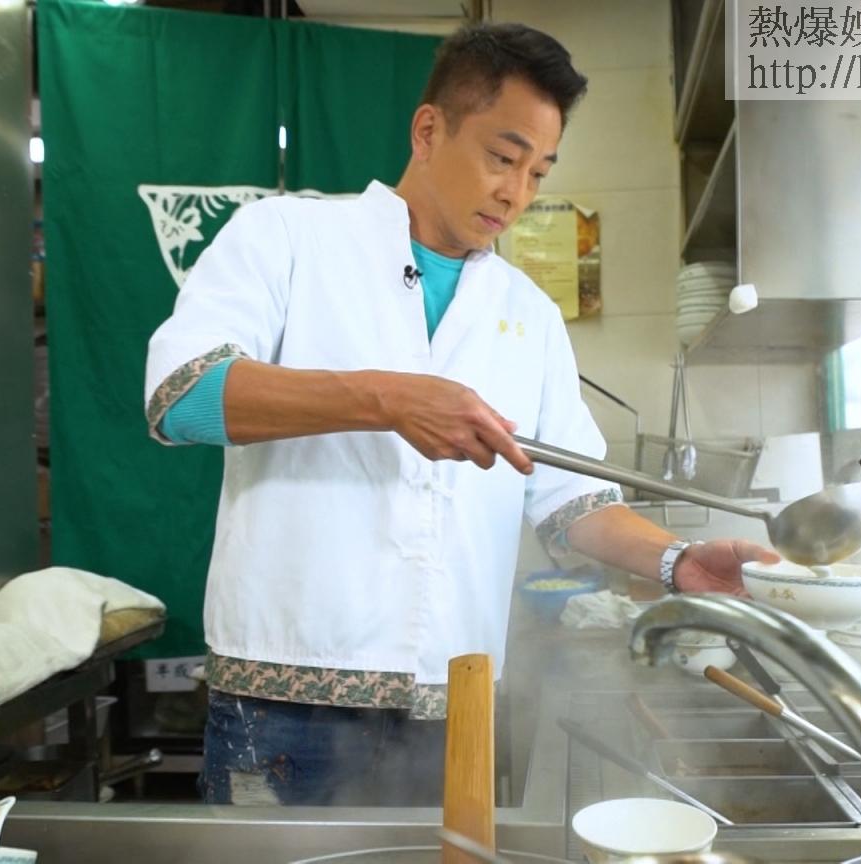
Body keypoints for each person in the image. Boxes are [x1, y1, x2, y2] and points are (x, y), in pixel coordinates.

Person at [144, 21, 778, 806]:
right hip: (284, 704)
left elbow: (571, 499)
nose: (517, 193)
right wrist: (385, 398)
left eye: (538, 172)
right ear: (428, 130)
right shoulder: (289, 237)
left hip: (453, 702)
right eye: (502, 158)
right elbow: (179, 396)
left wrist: (678, 561)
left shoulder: (527, 312)